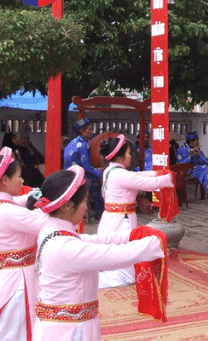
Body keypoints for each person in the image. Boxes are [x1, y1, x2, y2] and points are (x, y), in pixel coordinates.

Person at [31, 165, 165, 341]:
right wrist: (154, 244)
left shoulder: (52, 231)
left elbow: (93, 240)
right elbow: (112, 255)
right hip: (68, 332)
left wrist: (133, 235)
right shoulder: (63, 246)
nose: (86, 207)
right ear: (67, 206)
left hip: (68, 326)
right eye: (84, 202)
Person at [97, 135, 174, 289]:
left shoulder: (110, 170)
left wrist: (159, 174)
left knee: (118, 259)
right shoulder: (120, 175)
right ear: (119, 157)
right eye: (128, 154)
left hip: (114, 220)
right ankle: (91, 280)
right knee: (127, 275)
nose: (131, 156)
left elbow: (138, 176)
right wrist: (168, 179)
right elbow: (146, 183)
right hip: (120, 223)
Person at [0, 147, 48, 341]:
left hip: (11, 275)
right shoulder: (9, 212)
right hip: (18, 280)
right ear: (5, 180)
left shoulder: (7, 206)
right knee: (17, 330)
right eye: (19, 177)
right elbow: (45, 223)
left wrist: (30, 200)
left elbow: (18, 201)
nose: (22, 181)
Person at [63, 118, 104, 219]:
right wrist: (99, 172)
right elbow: (87, 167)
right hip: (78, 176)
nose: (91, 132)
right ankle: (99, 213)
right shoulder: (83, 145)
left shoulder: (73, 142)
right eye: (89, 130)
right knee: (97, 183)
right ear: (82, 131)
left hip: (67, 175)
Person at [177, 131, 208, 205]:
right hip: (189, 171)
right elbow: (180, 164)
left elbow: (206, 162)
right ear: (191, 142)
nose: (198, 142)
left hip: (200, 170)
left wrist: (199, 155)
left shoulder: (199, 150)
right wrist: (190, 156)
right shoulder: (181, 150)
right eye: (197, 140)